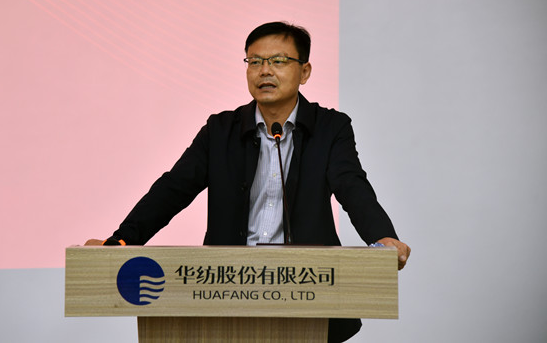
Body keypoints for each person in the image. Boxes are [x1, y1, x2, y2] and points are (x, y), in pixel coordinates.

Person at [87, 21, 411, 342]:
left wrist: (382, 236)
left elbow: (351, 185)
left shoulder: (330, 128)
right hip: (225, 289)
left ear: (305, 71)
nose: (264, 71)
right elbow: (173, 189)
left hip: (305, 292)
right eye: (254, 61)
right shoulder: (221, 130)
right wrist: (120, 242)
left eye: (278, 61)